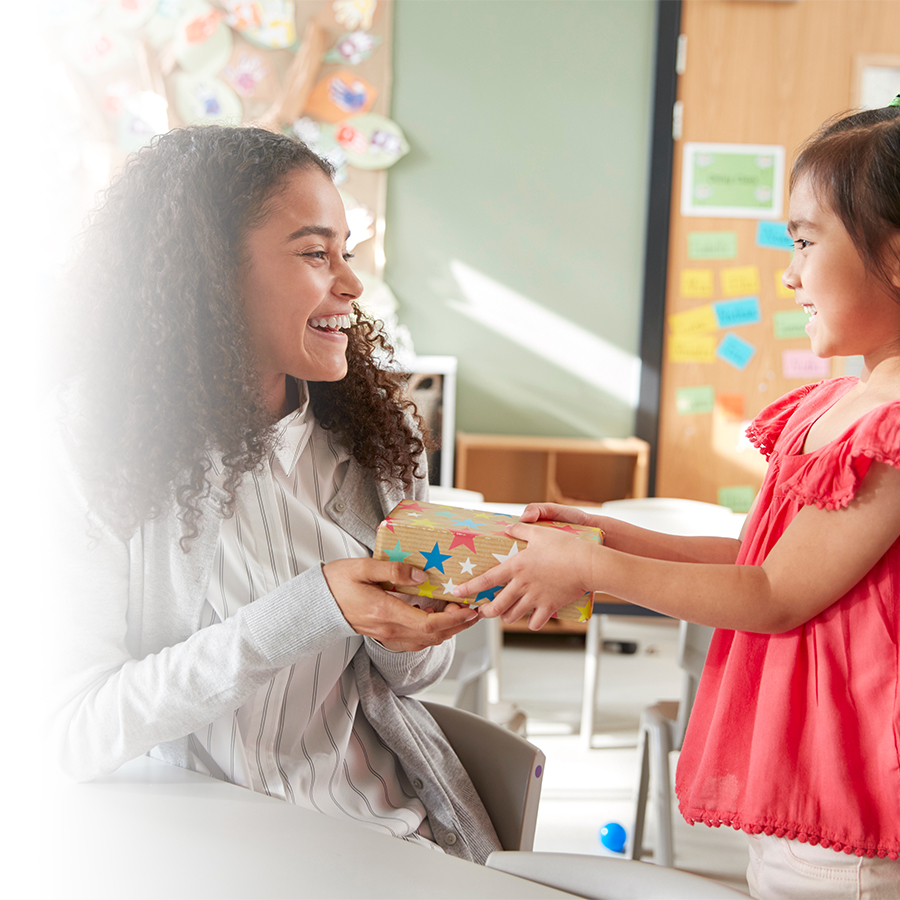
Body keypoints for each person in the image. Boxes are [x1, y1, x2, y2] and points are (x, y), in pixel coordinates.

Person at [455, 101, 900, 896]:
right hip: (805, 776)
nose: (789, 273)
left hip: (854, 787)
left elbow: (772, 594)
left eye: (804, 241)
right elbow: (760, 557)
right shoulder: (845, 401)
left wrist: (593, 569)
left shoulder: (892, 430)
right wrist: (614, 538)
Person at [45, 124, 500, 864]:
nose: (350, 283)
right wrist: (316, 605)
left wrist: (406, 627)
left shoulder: (378, 442)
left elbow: (413, 682)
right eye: (316, 253)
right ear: (212, 274)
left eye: (346, 252)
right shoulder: (90, 448)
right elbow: (74, 732)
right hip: (180, 860)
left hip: (376, 841)